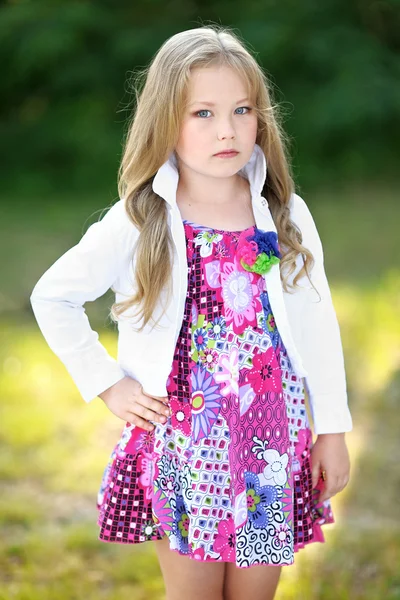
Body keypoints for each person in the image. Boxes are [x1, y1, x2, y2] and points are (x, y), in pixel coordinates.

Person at [30, 24, 352, 600]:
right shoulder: (143, 218)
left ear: (261, 117)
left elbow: (319, 327)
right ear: (166, 121)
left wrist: (332, 430)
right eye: (202, 113)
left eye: (242, 110)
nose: (226, 130)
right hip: (184, 445)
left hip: (269, 446)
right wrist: (107, 384)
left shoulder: (284, 215)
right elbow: (52, 296)